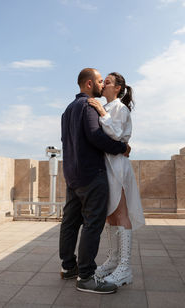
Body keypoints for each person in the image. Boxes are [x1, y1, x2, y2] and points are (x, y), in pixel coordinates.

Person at [59, 68, 131, 294]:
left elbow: (67, 142)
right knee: (93, 224)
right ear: (89, 84)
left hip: (71, 176)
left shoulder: (67, 110)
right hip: (91, 175)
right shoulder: (88, 105)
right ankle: (87, 277)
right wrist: (121, 147)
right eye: (100, 81)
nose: (102, 85)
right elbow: (96, 136)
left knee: (70, 222)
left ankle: (68, 266)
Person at [88, 72, 145, 287]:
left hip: (117, 166)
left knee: (121, 214)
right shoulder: (108, 107)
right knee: (110, 216)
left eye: (108, 82)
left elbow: (117, 134)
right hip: (106, 166)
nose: (104, 85)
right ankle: (113, 261)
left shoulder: (119, 108)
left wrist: (102, 111)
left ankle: (125, 267)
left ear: (118, 88)